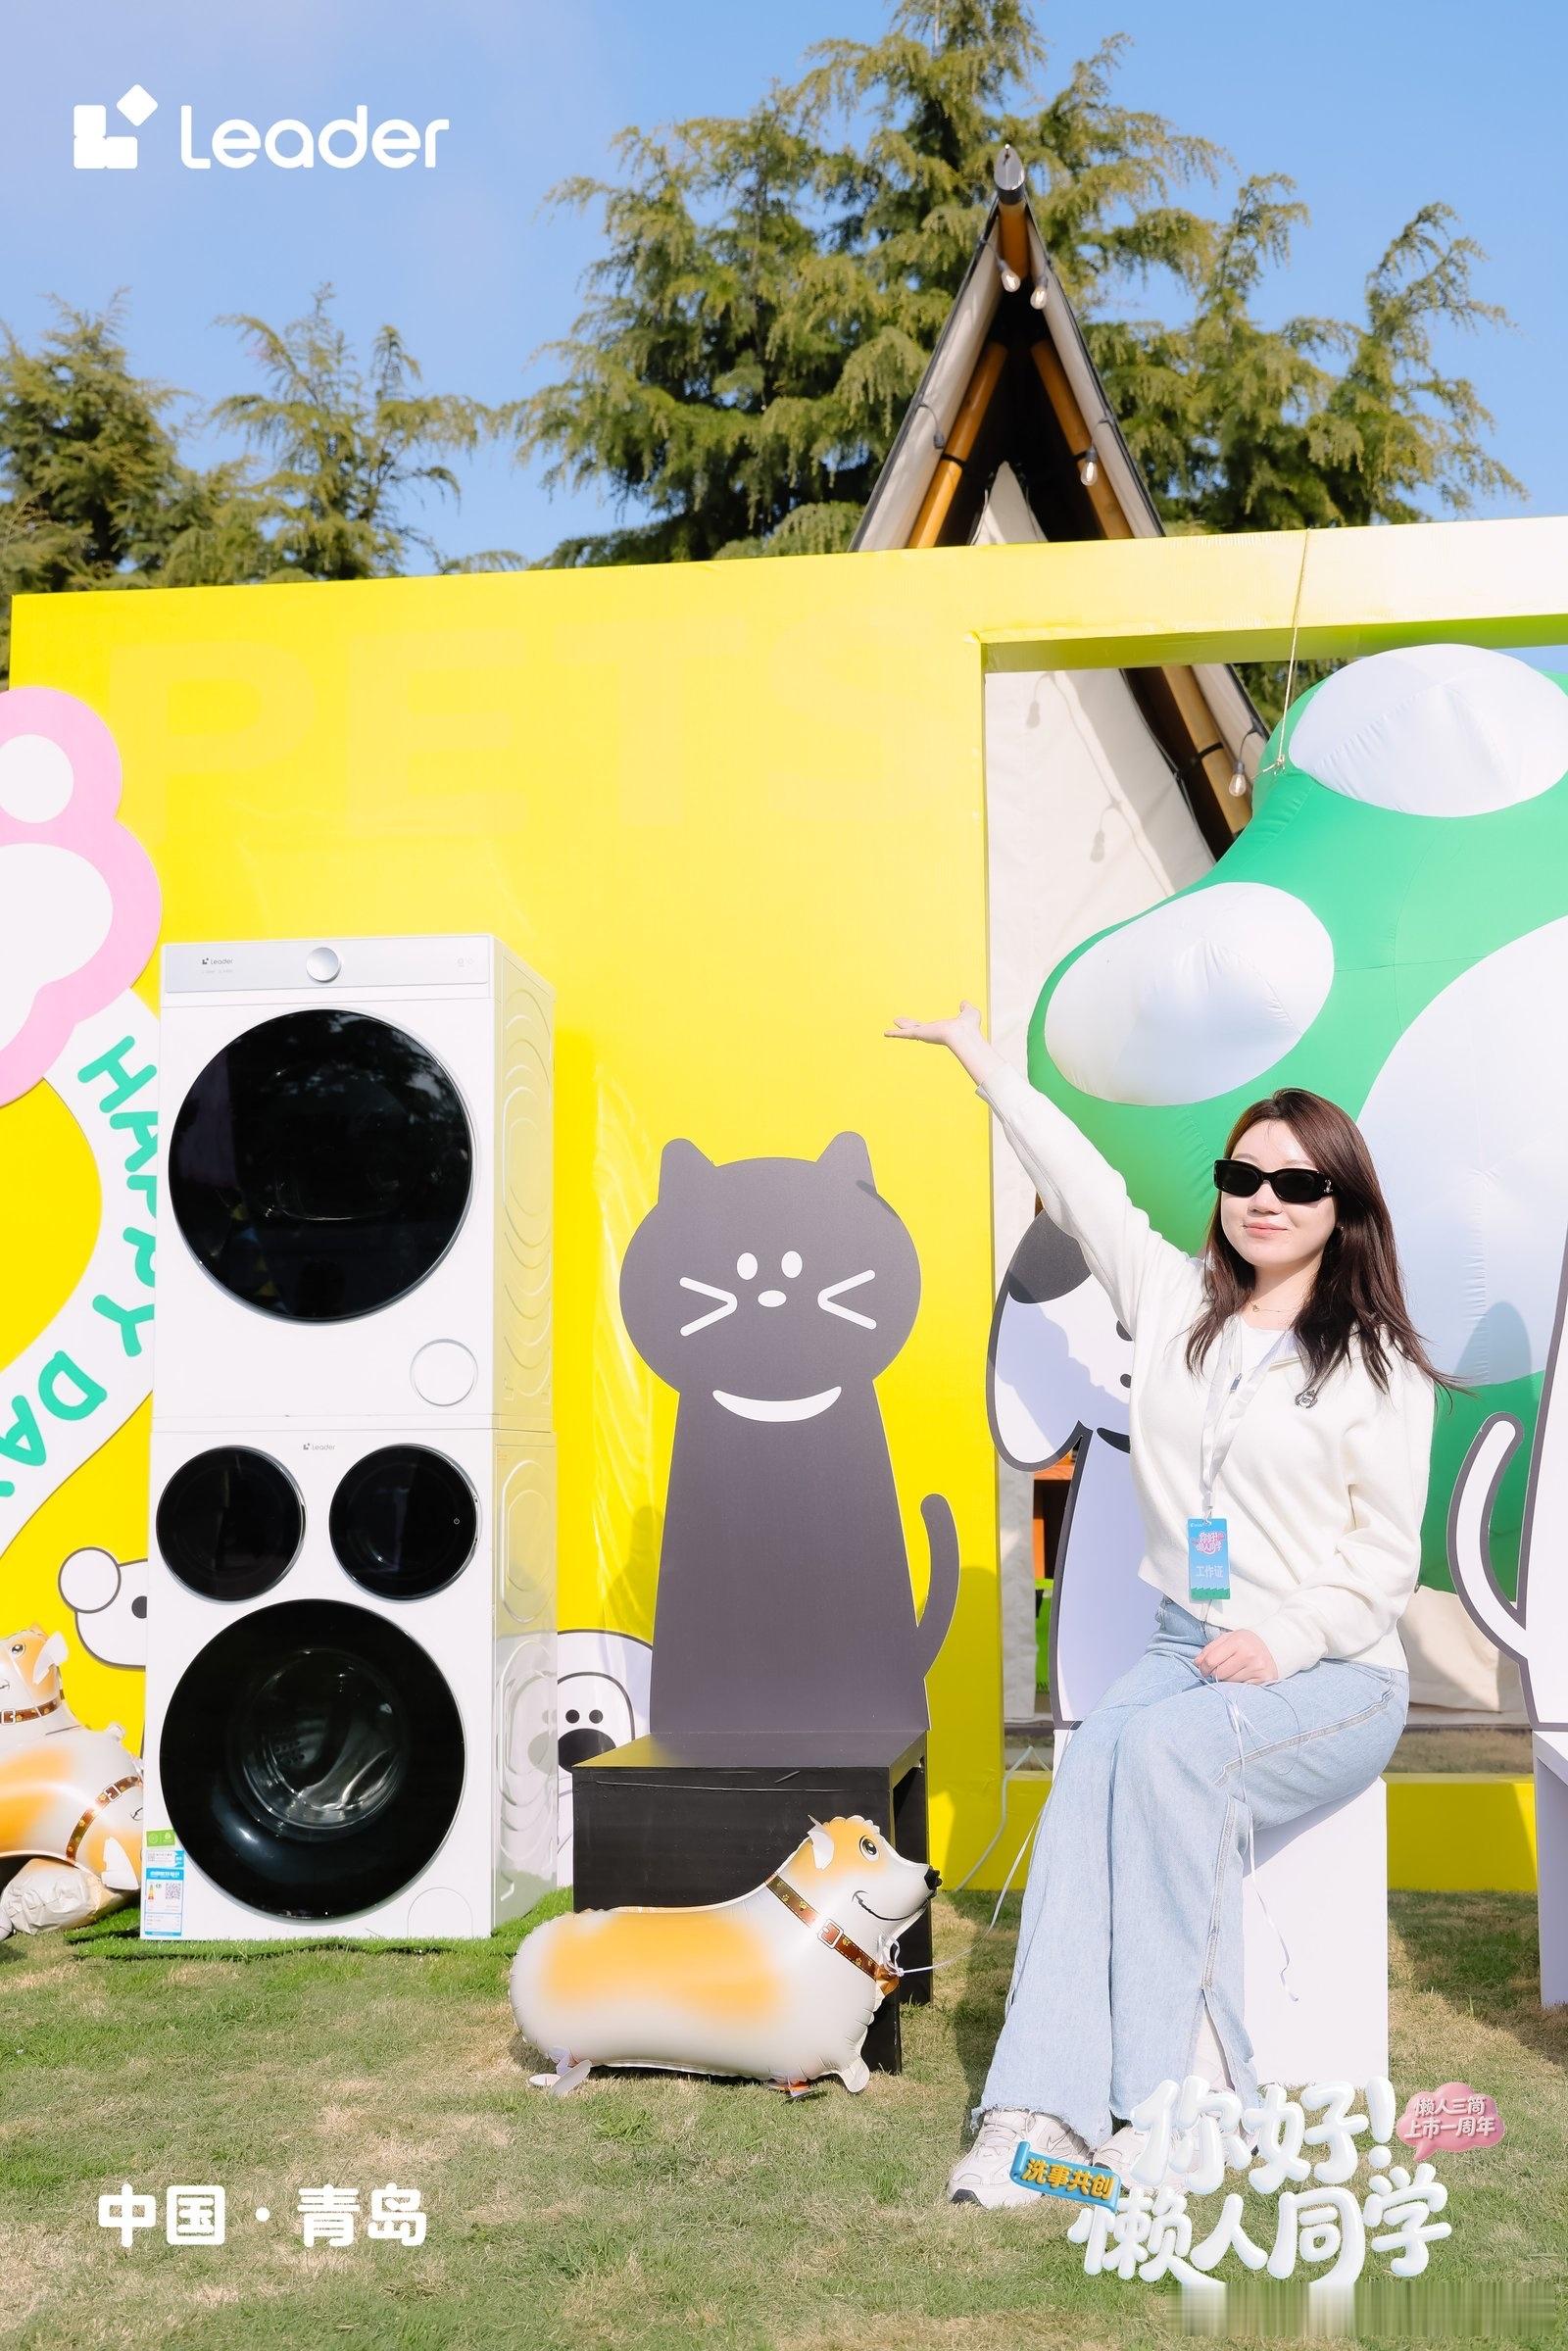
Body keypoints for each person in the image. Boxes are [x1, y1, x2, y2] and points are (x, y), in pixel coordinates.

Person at [886, 1001, 1456, 2209]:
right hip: (1184, 1642)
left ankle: (1176, 2113)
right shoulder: (1176, 1308)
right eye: (1241, 1175)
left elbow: (1380, 1565)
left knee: (1161, 1759)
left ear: (1342, 1206)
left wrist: (1279, 1639)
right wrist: (980, 1061)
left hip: (1333, 1673)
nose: (1262, 1198)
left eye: (1295, 1183)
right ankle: (1035, 2110)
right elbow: (1078, 1184)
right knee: (1093, 1763)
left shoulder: (1376, 1365)